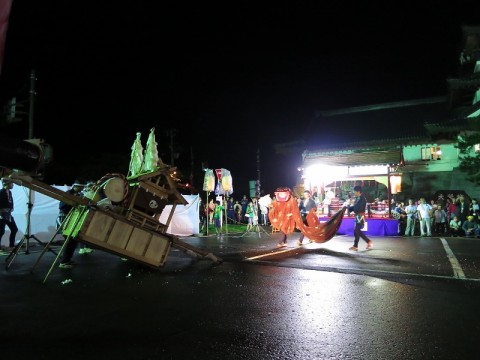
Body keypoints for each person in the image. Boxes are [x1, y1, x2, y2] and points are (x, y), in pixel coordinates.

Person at [58, 178, 86, 269]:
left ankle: (68, 259)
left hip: (73, 220)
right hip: (66, 218)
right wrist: (74, 205)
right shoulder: (68, 194)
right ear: (76, 186)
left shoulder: (79, 194)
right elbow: (62, 207)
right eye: (80, 187)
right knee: (69, 240)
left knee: (74, 240)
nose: (82, 189)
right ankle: (64, 261)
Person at [348, 186, 373, 251]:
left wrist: (352, 208)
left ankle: (355, 246)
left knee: (356, 230)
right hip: (357, 216)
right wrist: (349, 208)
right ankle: (368, 242)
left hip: (361, 216)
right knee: (357, 231)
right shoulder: (358, 198)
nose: (354, 193)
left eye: (355, 192)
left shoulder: (362, 199)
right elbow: (355, 207)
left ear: (358, 191)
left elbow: (360, 208)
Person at [0, 178, 18, 251]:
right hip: (2, 214)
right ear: (6, 184)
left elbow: (10, 202)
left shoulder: (9, 192)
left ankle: (11, 246)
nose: (12, 185)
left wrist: (11, 207)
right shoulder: (1, 192)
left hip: (8, 214)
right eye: (11, 183)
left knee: (14, 229)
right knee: (1, 231)